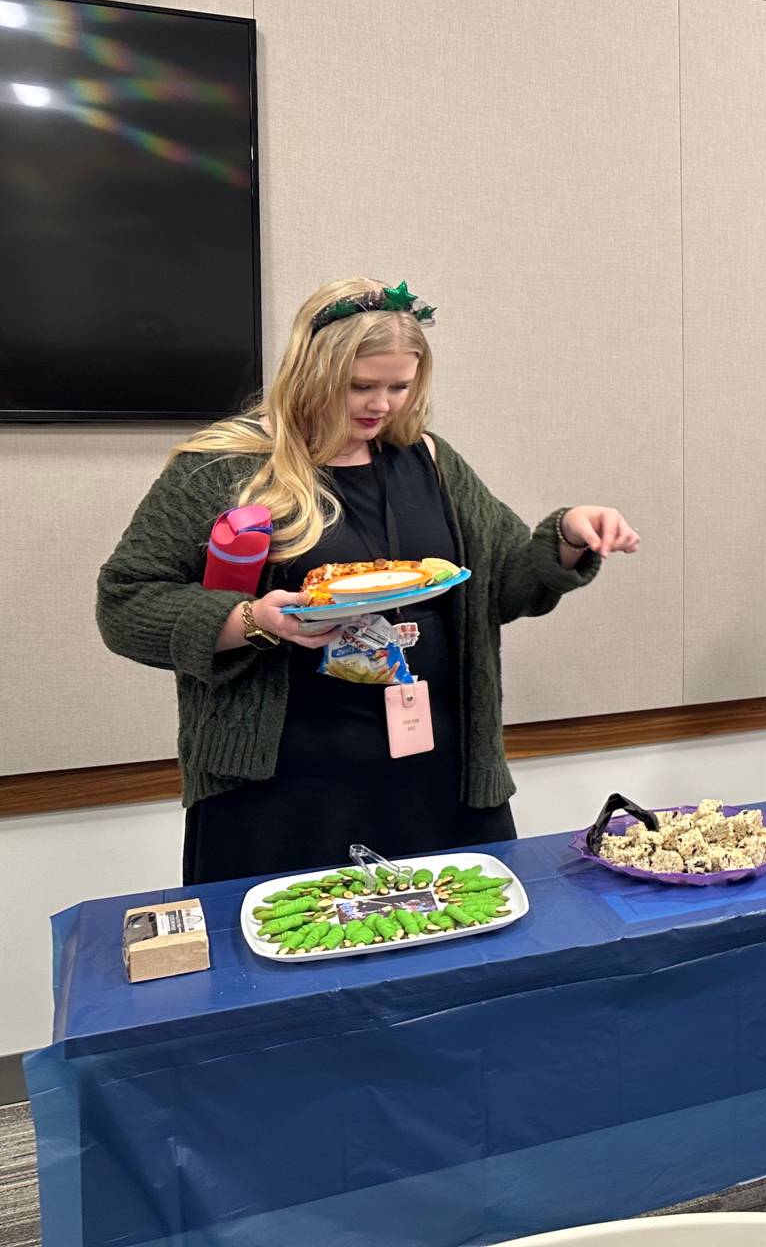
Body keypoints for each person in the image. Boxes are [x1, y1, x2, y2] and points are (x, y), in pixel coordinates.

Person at [98, 277, 640, 884]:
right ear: (311, 374)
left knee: (458, 959)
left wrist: (566, 535)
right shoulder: (225, 469)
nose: (380, 405)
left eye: (399, 387)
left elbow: (507, 583)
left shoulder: (429, 461)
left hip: (435, 772)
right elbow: (126, 602)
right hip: (281, 787)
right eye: (360, 386)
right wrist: (255, 620)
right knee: (289, 961)